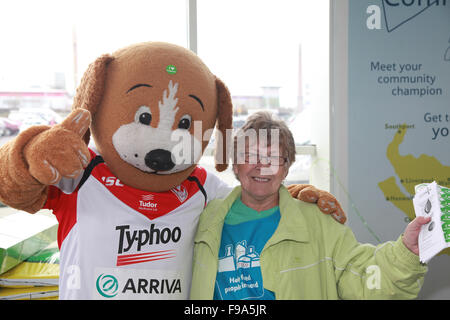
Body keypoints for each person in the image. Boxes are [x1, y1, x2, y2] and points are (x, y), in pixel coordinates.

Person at [190, 111, 429, 300]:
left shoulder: (318, 224)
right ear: (235, 164)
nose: (261, 167)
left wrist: (406, 252)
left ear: (286, 168)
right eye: (250, 156)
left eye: (273, 158)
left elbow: (366, 277)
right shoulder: (205, 220)